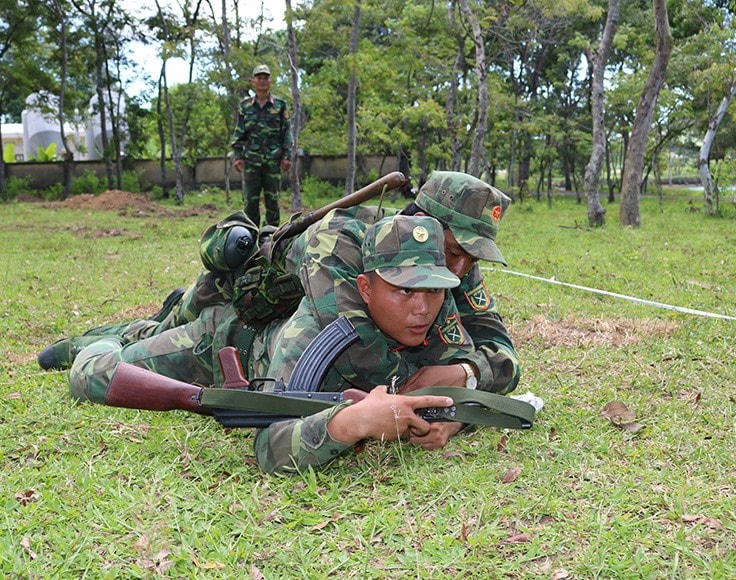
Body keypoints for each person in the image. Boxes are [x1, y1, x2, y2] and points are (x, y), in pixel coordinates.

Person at [40, 171, 520, 399]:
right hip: (234, 301)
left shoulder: (450, 265)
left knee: (150, 333)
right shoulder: (344, 241)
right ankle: (87, 343)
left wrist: (465, 374)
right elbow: (357, 349)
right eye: (456, 251)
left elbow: (501, 350)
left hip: (263, 333)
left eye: (469, 257)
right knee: (143, 339)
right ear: (420, 220)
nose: (458, 272)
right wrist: (440, 364)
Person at [69, 215, 479, 473]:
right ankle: (105, 337)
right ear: (365, 288)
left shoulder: (433, 310)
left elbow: (481, 367)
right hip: (223, 343)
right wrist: (353, 423)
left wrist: (455, 413)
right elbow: (269, 447)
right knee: (95, 372)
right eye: (404, 292)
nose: (423, 308)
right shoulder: (316, 332)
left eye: (433, 290)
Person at [232, 64, 292, 227]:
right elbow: (239, 132)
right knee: (250, 202)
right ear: (253, 81)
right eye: (259, 78)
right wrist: (237, 156)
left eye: (266, 78)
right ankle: (250, 236)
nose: (263, 81)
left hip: (273, 161)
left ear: (270, 81)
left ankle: (270, 237)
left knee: (273, 201)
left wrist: (287, 156)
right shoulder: (245, 106)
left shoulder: (280, 105)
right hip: (251, 161)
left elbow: (286, 131)